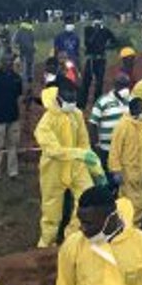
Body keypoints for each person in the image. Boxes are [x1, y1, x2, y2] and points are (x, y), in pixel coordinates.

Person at [34, 80, 100, 247]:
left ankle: (72, 238)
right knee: (51, 210)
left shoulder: (76, 114)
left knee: (87, 199)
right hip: (53, 169)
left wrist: (95, 168)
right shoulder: (45, 123)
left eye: (74, 99)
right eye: (68, 99)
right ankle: (46, 244)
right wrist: (80, 154)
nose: (72, 103)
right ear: (58, 97)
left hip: (77, 166)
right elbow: (53, 150)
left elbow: (84, 142)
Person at [107, 80, 142, 225]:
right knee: (134, 204)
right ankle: (130, 228)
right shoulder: (123, 126)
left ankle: (130, 226)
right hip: (128, 172)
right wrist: (116, 170)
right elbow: (115, 150)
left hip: (140, 170)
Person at [0, 54, 23, 180]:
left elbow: (19, 97)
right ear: (2, 62)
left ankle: (13, 173)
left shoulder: (17, 78)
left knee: (13, 146)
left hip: (13, 117)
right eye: (6, 61)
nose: (9, 63)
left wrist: (20, 116)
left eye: (11, 61)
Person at [87, 73, 130, 168]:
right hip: (107, 150)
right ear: (115, 86)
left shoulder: (130, 100)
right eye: (121, 85)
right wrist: (96, 144)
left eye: (126, 85)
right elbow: (92, 124)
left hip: (125, 150)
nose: (125, 89)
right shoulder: (103, 101)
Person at [81, 14, 117, 107]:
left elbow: (114, 41)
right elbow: (87, 43)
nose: (97, 20)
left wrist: (107, 47)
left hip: (101, 59)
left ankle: (97, 103)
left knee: (99, 82)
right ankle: (82, 103)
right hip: (90, 59)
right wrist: (95, 32)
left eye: (98, 19)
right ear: (92, 19)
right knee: (86, 81)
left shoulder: (105, 31)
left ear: (101, 20)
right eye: (95, 19)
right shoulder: (88, 29)